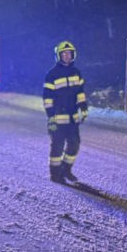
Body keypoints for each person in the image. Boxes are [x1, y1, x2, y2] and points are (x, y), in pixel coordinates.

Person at [43, 40, 88, 182]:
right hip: (57, 118)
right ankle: (55, 175)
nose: (67, 56)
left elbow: (80, 93)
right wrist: (50, 117)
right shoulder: (52, 74)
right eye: (64, 54)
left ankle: (66, 170)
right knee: (57, 147)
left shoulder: (76, 73)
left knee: (74, 144)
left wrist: (83, 108)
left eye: (69, 53)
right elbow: (47, 98)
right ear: (59, 56)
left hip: (73, 118)